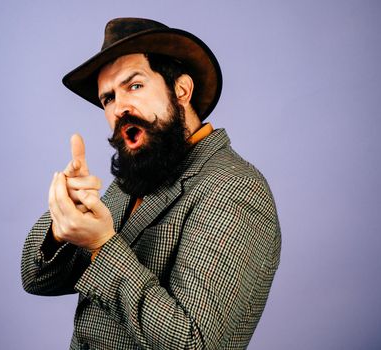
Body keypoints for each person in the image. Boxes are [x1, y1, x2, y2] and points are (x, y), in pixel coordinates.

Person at [21, 17, 281, 350]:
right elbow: (35, 279)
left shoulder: (234, 187)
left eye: (135, 86)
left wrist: (102, 245)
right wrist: (64, 221)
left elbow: (193, 344)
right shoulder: (132, 181)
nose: (120, 108)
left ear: (182, 90)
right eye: (108, 99)